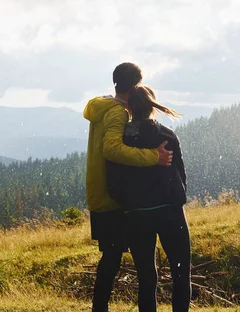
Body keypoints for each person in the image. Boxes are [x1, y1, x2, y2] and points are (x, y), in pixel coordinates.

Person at [84, 63, 173, 312]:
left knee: (111, 256)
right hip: (111, 195)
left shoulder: (102, 108)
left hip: (100, 190)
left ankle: (99, 307)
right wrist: (152, 157)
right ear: (134, 85)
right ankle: (100, 308)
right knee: (115, 257)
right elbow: (111, 149)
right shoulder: (117, 112)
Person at [106, 85, 191, 312]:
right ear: (152, 105)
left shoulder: (122, 140)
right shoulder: (167, 135)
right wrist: (177, 198)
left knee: (146, 277)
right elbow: (181, 173)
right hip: (171, 213)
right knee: (181, 273)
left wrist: (127, 204)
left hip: (137, 215)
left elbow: (112, 180)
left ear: (129, 107)